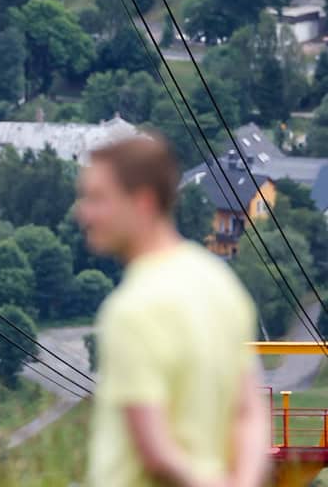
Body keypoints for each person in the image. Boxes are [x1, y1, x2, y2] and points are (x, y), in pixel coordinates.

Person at [77, 136, 269, 487]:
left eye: (97, 199)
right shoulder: (221, 285)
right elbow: (250, 414)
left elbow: (156, 453)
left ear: (143, 202)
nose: (83, 213)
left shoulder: (131, 310)